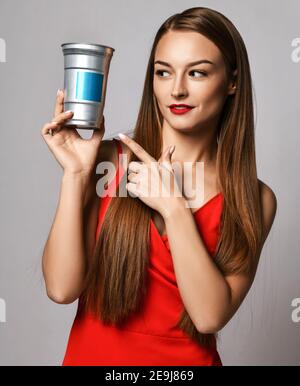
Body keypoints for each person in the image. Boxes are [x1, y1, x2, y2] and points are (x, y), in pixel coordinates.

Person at [41, 6, 277, 366]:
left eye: (197, 73)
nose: (177, 90)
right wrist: (75, 176)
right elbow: (61, 288)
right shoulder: (107, 161)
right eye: (163, 72)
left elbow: (210, 316)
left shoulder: (254, 198)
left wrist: (173, 206)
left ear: (232, 81)